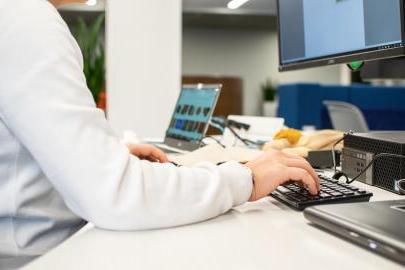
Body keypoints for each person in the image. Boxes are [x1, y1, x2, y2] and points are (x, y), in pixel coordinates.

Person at [0, 0, 319, 269]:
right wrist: (245, 178)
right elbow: (114, 196)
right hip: (36, 257)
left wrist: (109, 156)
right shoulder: (26, 19)